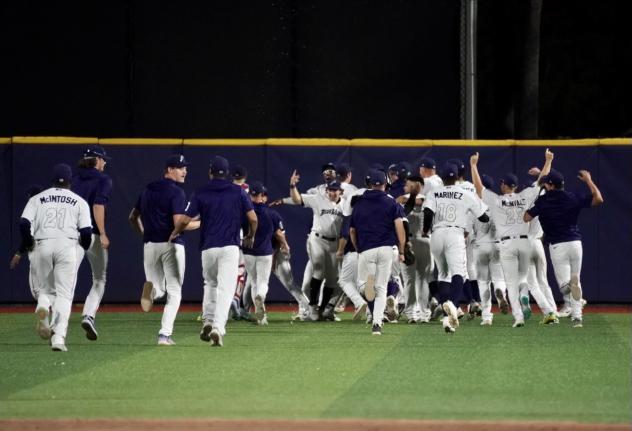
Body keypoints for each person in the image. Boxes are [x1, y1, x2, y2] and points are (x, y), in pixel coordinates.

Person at [170, 156, 257, 347]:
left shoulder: (200, 192)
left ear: (210, 172)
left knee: (210, 284)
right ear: (226, 173)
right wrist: (250, 236)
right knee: (226, 288)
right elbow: (253, 218)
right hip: (230, 247)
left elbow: (184, 220)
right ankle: (217, 327)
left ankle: (208, 321)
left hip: (208, 247)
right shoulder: (237, 191)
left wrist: (174, 233)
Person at [470, 150, 558, 328]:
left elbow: (479, 189)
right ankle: (549, 311)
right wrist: (548, 160)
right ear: (515, 187)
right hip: (525, 242)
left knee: (511, 283)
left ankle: (518, 318)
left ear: (504, 186)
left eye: (502, 184)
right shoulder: (524, 196)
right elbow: (542, 180)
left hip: (507, 244)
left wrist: (473, 166)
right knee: (529, 281)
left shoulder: (497, 200)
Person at [20, 164, 92, 351]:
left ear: (52, 180)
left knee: (46, 289)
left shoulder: (37, 198)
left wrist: (28, 243)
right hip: (67, 246)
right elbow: (86, 232)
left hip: (42, 244)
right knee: (64, 295)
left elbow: (23, 223)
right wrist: (82, 246)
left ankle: (43, 305)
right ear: (70, 180)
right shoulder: (79, 201)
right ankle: (58, 338)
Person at [128, 154, 196, 346]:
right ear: (169, 170)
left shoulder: (147, 189)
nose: (185, 171)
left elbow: (132, 217)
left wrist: (143, 234)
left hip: (150, 244)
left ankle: (152, 291)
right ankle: (164, 335)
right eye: (180, 167)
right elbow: (178, 224)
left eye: (185, 167)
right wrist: (200, 223)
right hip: (171, 245)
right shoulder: (177, 192)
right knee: (174, 291)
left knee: (158, 288)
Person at [524, 169, 603, 327]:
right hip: (575, 243)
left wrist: (532, 200)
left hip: (558, 246)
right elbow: (598, 199)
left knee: (565, 286)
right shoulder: (571, 197)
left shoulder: (543, 200)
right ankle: (577, 317)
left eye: (547, 182)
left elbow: (526, 217)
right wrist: (588, 180)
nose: (545, 184)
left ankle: (572, 291)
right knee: (576, 281)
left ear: (551, 185)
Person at [422, 163, 489, 334]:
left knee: (443, 274)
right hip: (455, 234)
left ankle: (446, 318)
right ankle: (452, 304)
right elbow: (483, 217)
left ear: (443, 178)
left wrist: (425, 230)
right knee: (459, 273)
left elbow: (428, 213)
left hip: (437, 234)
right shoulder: (466, 193)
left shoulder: (434, 192)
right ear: (457, 176)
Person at [350, 169, 406, 335]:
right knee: (381, 288)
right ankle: (377, 324)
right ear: (385, 184)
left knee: (362, 285)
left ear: (369, 184)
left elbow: (352, 231)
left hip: (367, 249)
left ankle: (368, 292)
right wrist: (402, 249)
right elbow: (399, 227)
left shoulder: (359, 203)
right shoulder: (391, 202)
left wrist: (357, 248)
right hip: (386, 249)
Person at [289, 171, 345, 320]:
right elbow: (297, 199)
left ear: (341, 191)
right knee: (319, 270)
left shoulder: (346, 205)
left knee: (333, 278)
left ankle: (322, 309)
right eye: (330, 190)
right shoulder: (318, 199)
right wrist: (293, 185)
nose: (332, 193)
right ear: (326, 191)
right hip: (317, 239)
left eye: (335, 190)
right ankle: (313, 306)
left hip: (334, 243)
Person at [71, 144, 113, 341]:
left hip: (72, 235)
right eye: (103, 159)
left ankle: (54, 322)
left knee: (68, 280)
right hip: (93, 234)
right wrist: (103, 232)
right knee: (99, 279)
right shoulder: (103, 179)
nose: (104, 162)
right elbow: (98, 206)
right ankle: (88, 315)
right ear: (96, 160)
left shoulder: (73, 179)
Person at [242, 181, 287, 326]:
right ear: (262, 196)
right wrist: (285, 245)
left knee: (254, 280)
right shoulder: (272, 214)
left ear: (250, 196)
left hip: (248, 252)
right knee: (262, 282)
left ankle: (261, 317)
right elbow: (279, 234)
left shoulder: (245, 213)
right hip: (265, 252)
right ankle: (261, 297)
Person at [397, 175, 433, 324]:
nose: (406, 186)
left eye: (408, 184)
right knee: (423, 280)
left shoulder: (402, 199)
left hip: (409, 241)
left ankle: (412, 313)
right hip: (425, 241)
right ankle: (424, 313)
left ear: (416, 185)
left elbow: (402, 212)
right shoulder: (430, 199)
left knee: (409, 280)